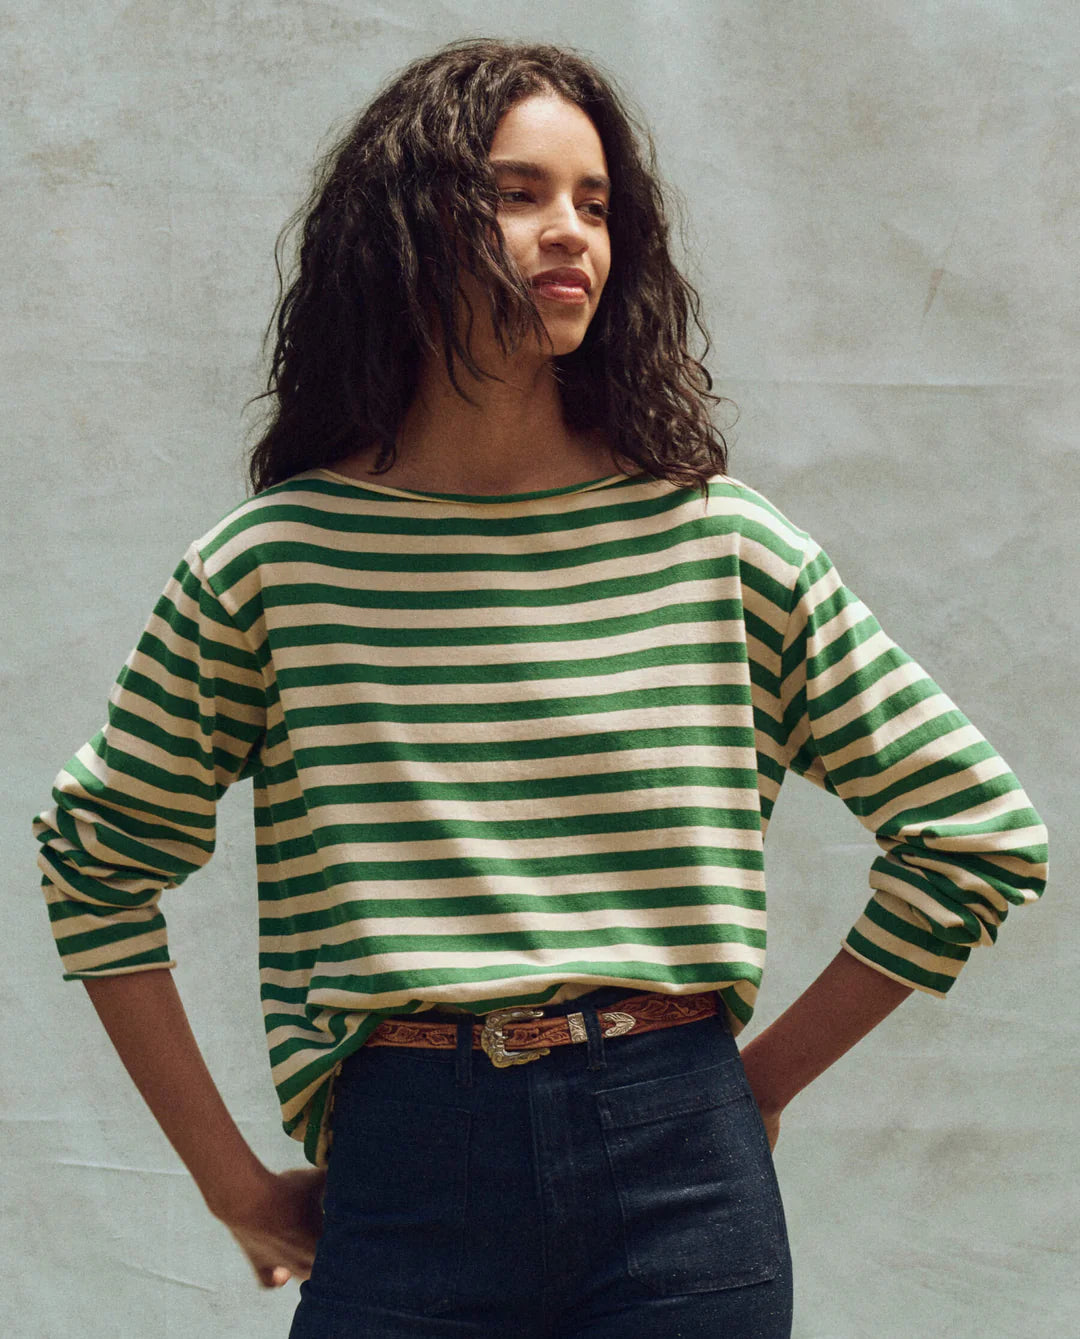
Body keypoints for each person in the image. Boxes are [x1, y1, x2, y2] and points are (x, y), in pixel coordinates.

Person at [33, 38, 1047, 1339]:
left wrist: (750, 1087)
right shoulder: (275, 569)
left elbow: (974, 834)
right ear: (402, 226)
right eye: (517, 193)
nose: (570, 229)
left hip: (687, 1181)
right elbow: (96, 861)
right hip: (404, 1176)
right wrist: (231, 1186)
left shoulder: (720, 547)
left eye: (596, 201)